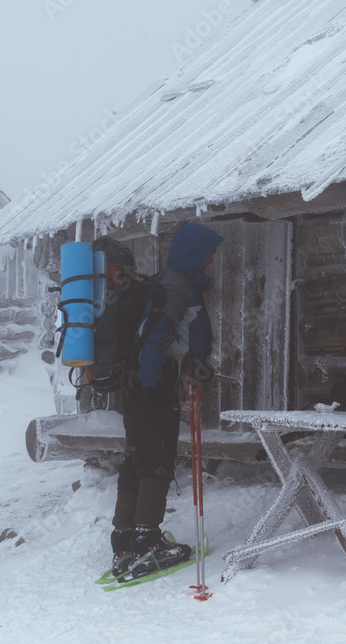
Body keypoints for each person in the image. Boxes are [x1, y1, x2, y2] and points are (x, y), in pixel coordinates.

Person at [109, 221, 224, 579]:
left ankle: (125, 540)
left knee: (136, 458)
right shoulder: (177, 285)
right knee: (156, 459)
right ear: (194, 253)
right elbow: (156, 335)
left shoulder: (165, 279)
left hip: (138, 384)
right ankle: (147, 543)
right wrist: (154, 383)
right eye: (207, 254)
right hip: (152, 385)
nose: (209, 261)